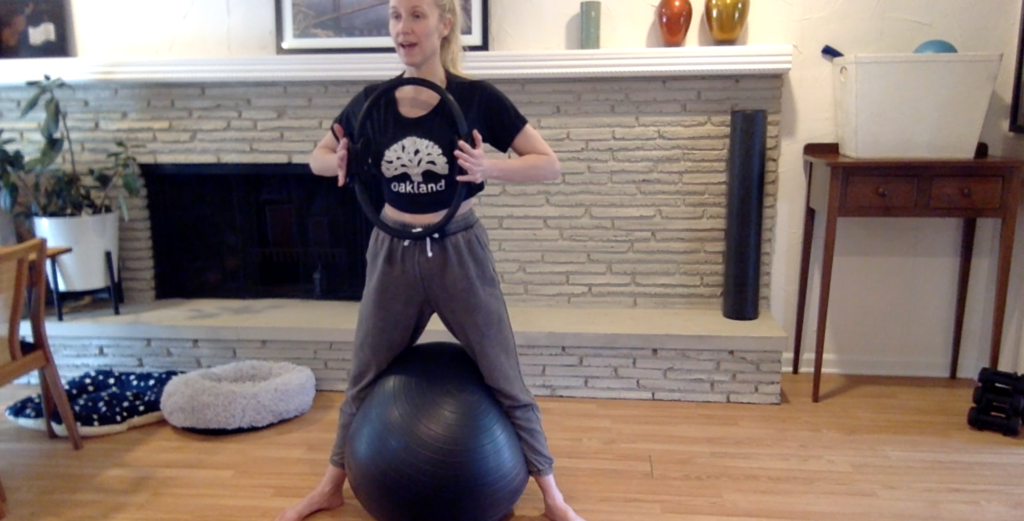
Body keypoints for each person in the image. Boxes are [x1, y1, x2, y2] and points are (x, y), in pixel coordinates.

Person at [275, 1, 587, 520]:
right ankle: (331, 485)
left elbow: (548, 164)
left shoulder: (476, 98)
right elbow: (318, 157)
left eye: (416, 14)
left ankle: (553, 499)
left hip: (458, 251)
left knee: (503, 376)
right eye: (395, 16)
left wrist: (490, 167)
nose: (402, 28)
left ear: (444, 24)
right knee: (363, 376)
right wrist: (341, 162)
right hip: (393, 250)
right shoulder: (372, 103)